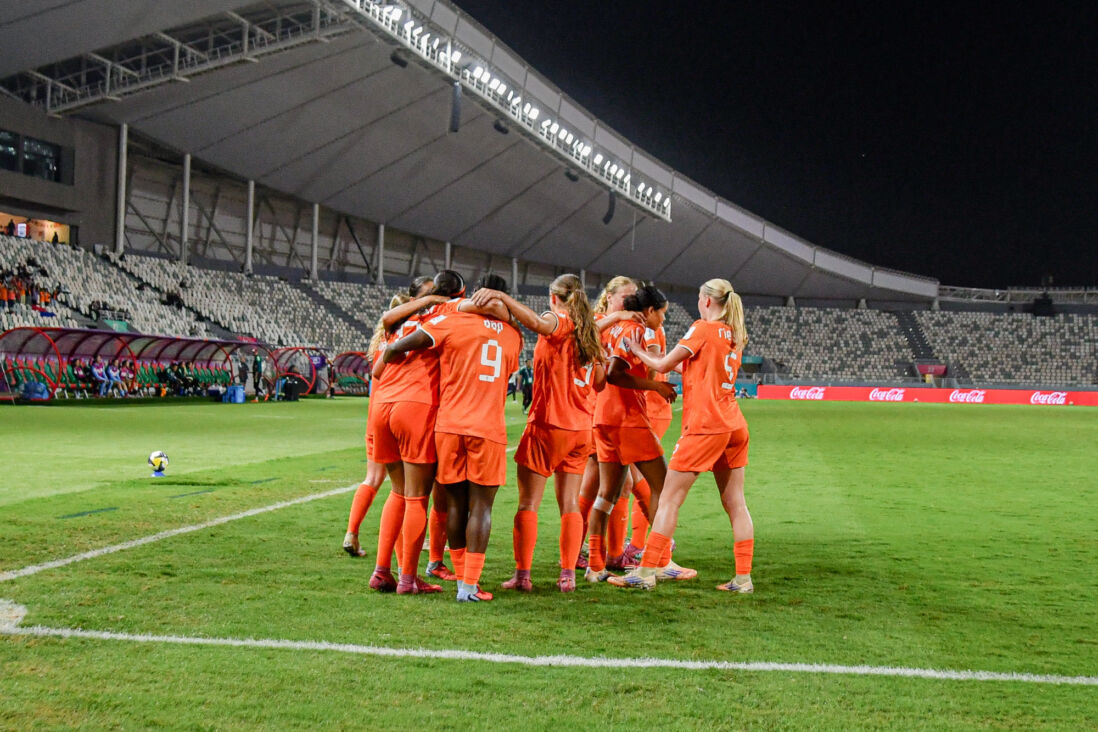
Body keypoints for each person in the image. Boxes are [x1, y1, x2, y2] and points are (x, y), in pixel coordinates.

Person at [377, 281, 522, 602]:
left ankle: (456, 578)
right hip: (488, 427)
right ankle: (469, 585)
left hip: (449, 424)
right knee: (481, 507)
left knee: (453, 503)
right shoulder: (514, 336)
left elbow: (398, 345)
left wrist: (388, 361)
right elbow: (506, 364)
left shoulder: (450, 320)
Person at [609, 279, 755, 592]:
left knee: (668, 500)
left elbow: (662, 363)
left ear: (706, 301)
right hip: (734, 425)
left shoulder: (702, 328)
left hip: (705, 426)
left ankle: (645, 572)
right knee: (736, 503)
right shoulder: (735, 333)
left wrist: (636, 350)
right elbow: (697, 368)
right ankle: (743, 578)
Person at [470, 274, 605, 592]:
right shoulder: (591, 334)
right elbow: (600, 381)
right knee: (570, 504)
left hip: (548, 425)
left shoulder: (559, 320)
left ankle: (523, 575)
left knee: (528, 503)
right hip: (581, 428)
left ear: (554, 297)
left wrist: (502, 298)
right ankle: (568, 575)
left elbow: (539, 323)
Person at [586, 284, 681, 583]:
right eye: (662, 315)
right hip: (628, 419)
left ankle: (595, 566)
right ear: (649, 311)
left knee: (606, 497)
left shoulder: (611, 327)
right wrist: (656, 385)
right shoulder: (636, 330)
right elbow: (615, 373)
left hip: (603, 418)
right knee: (664, 489)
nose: (663, 321)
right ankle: (657, 562)